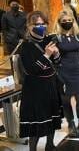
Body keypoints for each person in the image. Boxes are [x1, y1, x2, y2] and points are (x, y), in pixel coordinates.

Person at [18, 11, 62, 151]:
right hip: (34, 88)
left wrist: (56, 55)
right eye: (36, 24)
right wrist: (47, 55)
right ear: (29, 26)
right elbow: (32, 69)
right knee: (35, 122)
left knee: (52, 116)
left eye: (43, 24)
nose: (40, 26)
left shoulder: (49, 40)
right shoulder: (25, 46)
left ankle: (50, 145)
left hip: (50, 84)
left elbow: (57, 63)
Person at [54, 9, 79, 137]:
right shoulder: (56, 38)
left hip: (77, 70)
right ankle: (71, 124)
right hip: (63, 70)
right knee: (66, 99)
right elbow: (54, 57)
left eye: (69, 20)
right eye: (64, 21)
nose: (67, 22)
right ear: (59, 22)